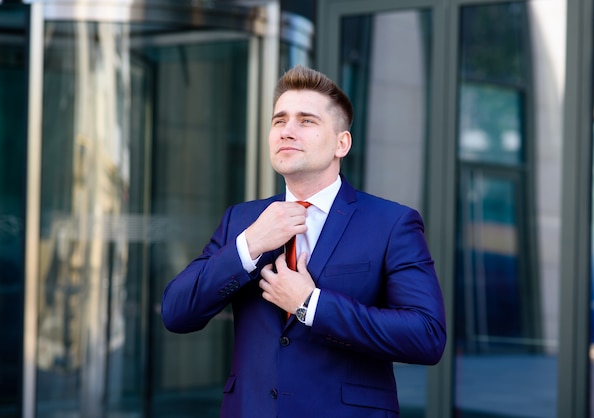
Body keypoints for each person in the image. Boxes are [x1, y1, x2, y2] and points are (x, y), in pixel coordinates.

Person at [161, 65, 446, 418]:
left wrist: (311, 305)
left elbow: (426, 336)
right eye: (279, 121)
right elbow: (176, 312)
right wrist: (248, 246)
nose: (287, 131)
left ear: (342, 143)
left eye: (306, 121)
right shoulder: (242, 221)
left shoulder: (391, 223)